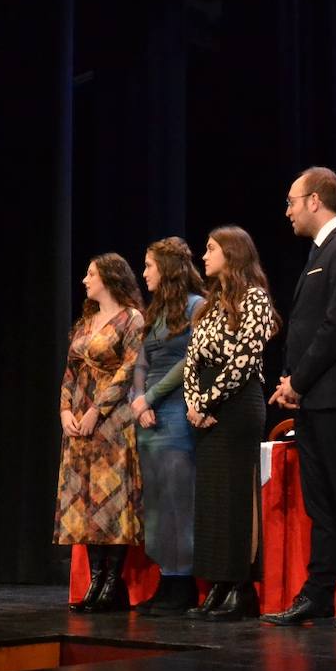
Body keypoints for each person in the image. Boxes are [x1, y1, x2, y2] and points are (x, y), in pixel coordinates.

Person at [263, 167, 336, 631]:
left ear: (315, 200)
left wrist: (298, 380)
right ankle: (317, 595)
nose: (288, 210)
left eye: (292, 200)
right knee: (321, 505)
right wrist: (292, 381)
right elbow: (311, 327)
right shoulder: (321, 251)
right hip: (315, 396)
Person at [182, 226, 278, 621]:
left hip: (237, 408)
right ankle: (218, 584)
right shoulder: (210, 303)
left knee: (235, 497)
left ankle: (240, 588)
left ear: (233, 253)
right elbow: (191, 360)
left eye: (211, 248)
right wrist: (193, 402)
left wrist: (206, 401)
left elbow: (242, 361)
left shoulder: (254, 299)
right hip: (204, 412)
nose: (204, 256)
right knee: (212, 499)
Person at [55, 253, 145, 613]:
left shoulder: (132, 319)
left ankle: (113, 582)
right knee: (86, 503)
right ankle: (95, 580)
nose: (84, 280)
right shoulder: (86, 321)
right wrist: (64, 410)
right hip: (78, 420)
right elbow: (70, 370)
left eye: (90, 274)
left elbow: (128, 371)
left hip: (111, 421)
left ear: (109, 277)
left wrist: (96, 410)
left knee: (111, 501)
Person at [131, 237, 205, 616]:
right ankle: (166, 577)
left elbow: (189, 361)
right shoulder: (154, 312)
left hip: (175, 411)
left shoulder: (197, 307)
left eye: (148, 265)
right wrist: (136, 400)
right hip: (148, 416)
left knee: (179, 499)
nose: (143, 273)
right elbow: (139, 363)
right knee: (157, 502)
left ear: (168, 268)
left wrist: (152, 397)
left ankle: (184, 581)